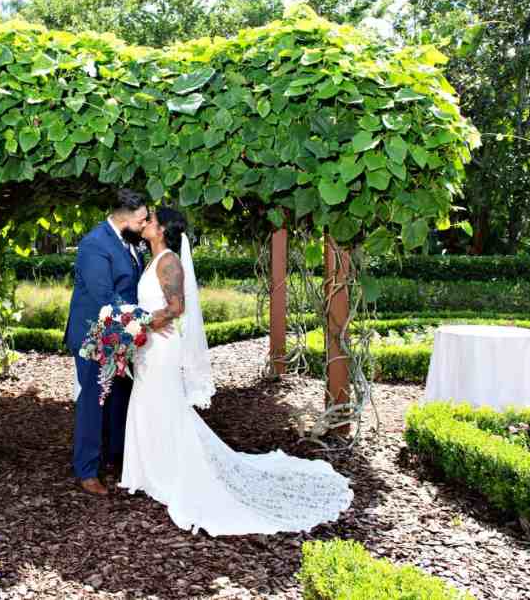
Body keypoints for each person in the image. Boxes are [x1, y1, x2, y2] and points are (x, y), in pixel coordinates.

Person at [119, 207, 353, 535]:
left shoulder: (169, 261)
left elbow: (177, 307)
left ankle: (168, 472)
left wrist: (140, 322)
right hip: (150, 348)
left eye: (152, 220)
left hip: (162, 349)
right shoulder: (153, 259)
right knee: (148, 406)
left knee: (161, 405)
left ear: (163, 230)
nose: (146, 223)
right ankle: (149, 471)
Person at [64, 189, 171, 496]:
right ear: (126, 216)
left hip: (123, 334)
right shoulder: (94, 245)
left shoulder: (130, 240)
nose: (146, 222)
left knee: (120, 398)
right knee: (94, 401)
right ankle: (86, 470)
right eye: (142, 218)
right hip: (94, 336)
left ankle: (117, 457)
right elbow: (104, 298)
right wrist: (148, 320)